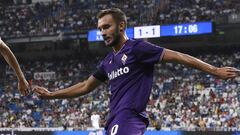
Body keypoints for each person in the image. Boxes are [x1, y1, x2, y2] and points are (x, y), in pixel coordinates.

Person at [33, 8, 239, 135]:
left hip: (129, 117)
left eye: (107, 27)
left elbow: (178, 56)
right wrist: (52, 95)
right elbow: (85, 86)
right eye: (101, 29)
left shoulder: (137, 48)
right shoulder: (108, 61)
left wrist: (214, 70)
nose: (103, 32)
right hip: (114, 119)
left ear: (121, 26)